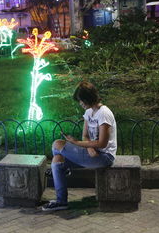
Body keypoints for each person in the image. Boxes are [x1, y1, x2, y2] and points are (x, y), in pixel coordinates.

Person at [42, 81, 117, 211]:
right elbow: (85, 136)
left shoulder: (104, 113)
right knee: (57, 160)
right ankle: (61, 201)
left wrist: (75, 143)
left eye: (81, 100)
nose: (80, 103)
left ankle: (64, 171)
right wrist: (89, 147)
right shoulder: (89, 113)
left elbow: (102, 143)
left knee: (57, 145)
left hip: (104, 156)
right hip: (92, 153)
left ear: (88, 98)